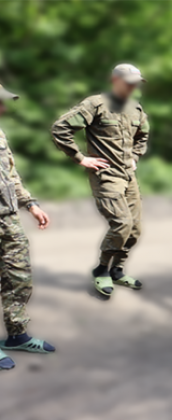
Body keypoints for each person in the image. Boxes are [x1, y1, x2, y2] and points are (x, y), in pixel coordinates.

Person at [51, 64, 149, 297]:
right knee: (122, 224)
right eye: (128, 81)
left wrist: (135, 156)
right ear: (114, 80)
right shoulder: (95, 104)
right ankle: (101, 270)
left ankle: (117, 269)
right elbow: (60, 128)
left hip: (128, 175)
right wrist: (80, 158)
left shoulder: (136, 108)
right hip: (106, 176)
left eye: (136, 82)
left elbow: (142, 135)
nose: (132, 86)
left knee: (134, 230)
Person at [0, 84, 55, 370]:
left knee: (17, 274)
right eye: (0, 103)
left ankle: (17, 335)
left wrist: (30, 204)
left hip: (6, 216)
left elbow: (11, 175)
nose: (4, 108)